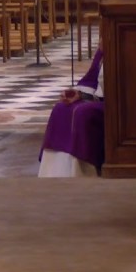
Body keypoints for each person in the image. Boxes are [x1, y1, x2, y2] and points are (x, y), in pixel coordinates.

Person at [38, 47, 106, 177]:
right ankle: (53, 175)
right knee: (61, 108)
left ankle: (81, 174)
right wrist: (80, 94)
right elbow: (92, 78)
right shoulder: (109, 38)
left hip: (120, 104)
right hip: (99, 99)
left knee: (82, 113)